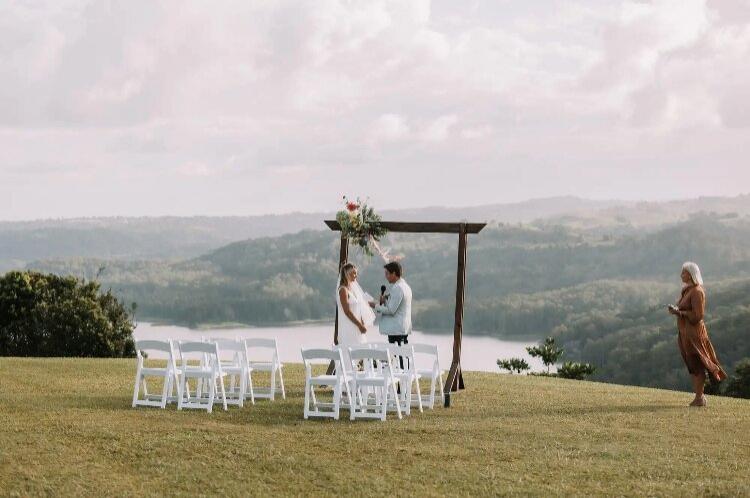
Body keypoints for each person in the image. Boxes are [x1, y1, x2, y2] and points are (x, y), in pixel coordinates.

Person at [668, 261, 727, 407]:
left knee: (697, 364)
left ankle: (700, 397)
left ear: (691, 275)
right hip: (685, 333)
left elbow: (697, 316)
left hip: (694, 334)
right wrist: (677, 311)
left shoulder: (697, 292)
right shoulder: (687, 290)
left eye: (684, 272)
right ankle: (699, 397)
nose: (681, 275)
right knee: (692, 365)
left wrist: (679, 312)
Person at [336, 263, 375, 361]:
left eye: (356, 273)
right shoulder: (343, 290)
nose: (356, 276)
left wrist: (362, 322)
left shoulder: (353, 289)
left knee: (361, 353)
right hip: (349, 327)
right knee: (349, 354)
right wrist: (359, 325)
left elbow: (359, 307)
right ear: (347, 274)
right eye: (354, 273)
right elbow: (347, 311)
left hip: (357, 326)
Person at [370, 261, 412, 347]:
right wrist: (385, 300)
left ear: (394, 273)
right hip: (402, 328)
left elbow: (391, 310)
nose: (386, 276)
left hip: (396, 330)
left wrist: (375, 306)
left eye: (387, 273)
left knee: (397, 356)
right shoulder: (405, 286)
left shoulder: (398, 288)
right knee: (402, 356)